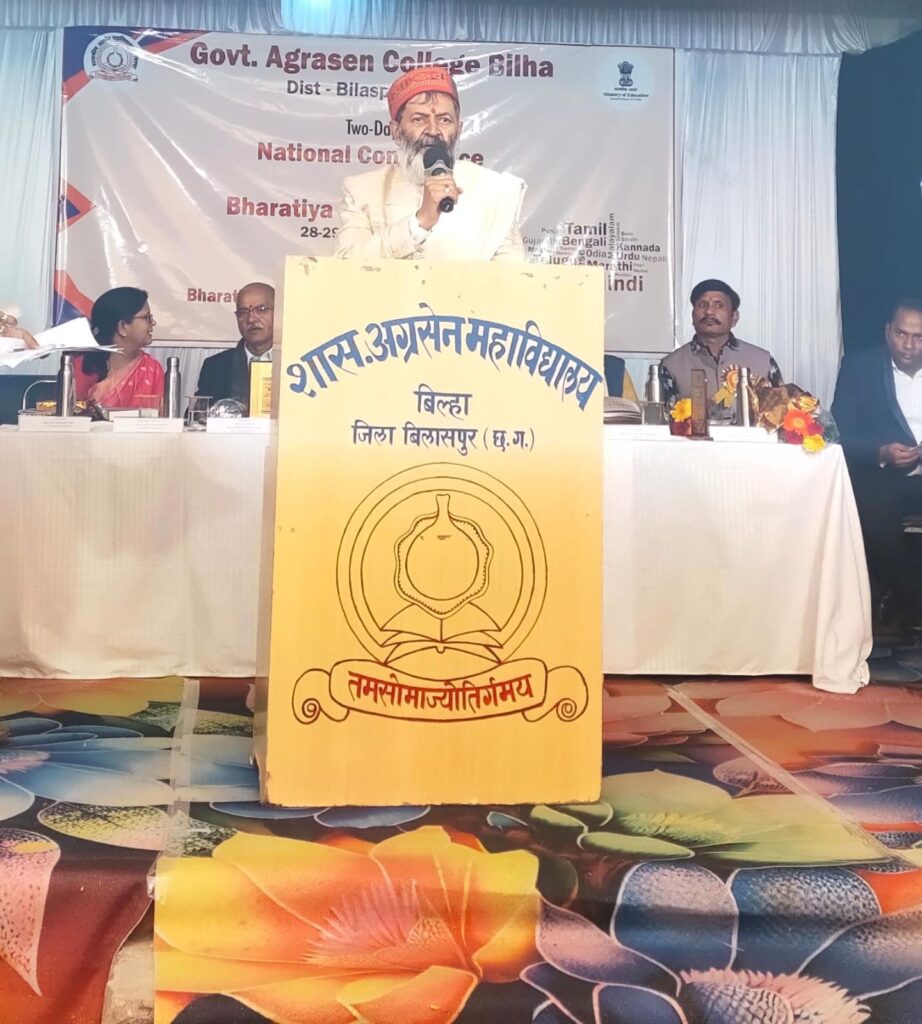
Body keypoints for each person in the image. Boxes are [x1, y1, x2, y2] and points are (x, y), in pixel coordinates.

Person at [335, 66, 526, 262]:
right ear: (396, 131)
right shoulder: (362, 191)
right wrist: (420, 221)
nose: (433, 131)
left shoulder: (494, 191)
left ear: (458, 129)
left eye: (445, 120)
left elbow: (513, 275)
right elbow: (347, 265)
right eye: (419, 119)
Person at [832, 297, 922, 627]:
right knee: (874, 524)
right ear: (887, 332)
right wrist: (882, 452)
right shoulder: (860, 368)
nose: (909, 345)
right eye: (902, 334)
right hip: (881, 476)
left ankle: (905, 599)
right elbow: (841, 432)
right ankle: (910, 600)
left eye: (919, 337)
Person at [660, 279, 783, 421]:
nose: (709, 312)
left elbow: (781, 416)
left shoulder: (764, 361)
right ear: (693, 316)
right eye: (702, 305)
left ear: (734, 317)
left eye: (719, 305)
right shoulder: (670, 366)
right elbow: (664, 423)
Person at [77, 287, 164, 409]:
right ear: (122, 327)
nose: (153, 323)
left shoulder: (152, 368)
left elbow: (158, 416)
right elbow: (72, 414)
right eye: (146, 318)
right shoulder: (83, 365)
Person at [195, 282, 274, 408]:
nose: (251, 319)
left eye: (261, 309)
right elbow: (197, 415)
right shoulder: (215, 367)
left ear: (279, 313)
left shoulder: (296, 364)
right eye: (243, 312)